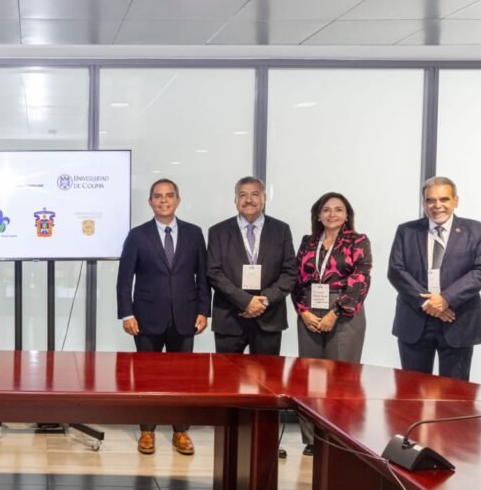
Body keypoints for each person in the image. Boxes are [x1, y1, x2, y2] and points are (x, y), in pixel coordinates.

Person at [117, 178, 210, 456]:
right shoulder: (137, 235)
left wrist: (203, 310)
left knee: (182, 379)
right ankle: (147, 430)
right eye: (158, 196)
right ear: (150, 202)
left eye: (169, 195)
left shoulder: (194, 233)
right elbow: (124, 279)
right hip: (146, 318)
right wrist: (127, 313)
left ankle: (181, 431)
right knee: (146, 378)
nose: (163, 200)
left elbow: (203, 276)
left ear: (178, 200)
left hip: (186, 316)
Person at [388, 176, 481, 380]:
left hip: (457, 319)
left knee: (455, 392)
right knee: (412, 390)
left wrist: (445, 299)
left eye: (444, 199)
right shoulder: (406, 231)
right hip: (415, 319)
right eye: (430, 200)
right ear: (423, 203)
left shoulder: (478, 231)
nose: (437, 205)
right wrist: (428, 303)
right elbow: (396, 271)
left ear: (456, 201)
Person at [292, 192, 372, 453]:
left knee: (341, 380)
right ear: (318, 215)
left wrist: (334, 313)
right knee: (311, 379)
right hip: (309, 311)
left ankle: (339, 439)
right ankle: (312, 440)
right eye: (326, 209)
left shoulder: (358, 241)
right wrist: (303, 311)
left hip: (344, 312)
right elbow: (296, 279)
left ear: (347, 215)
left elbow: (361, 280)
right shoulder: (308, 242)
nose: (332, 214)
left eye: (338, 209)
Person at [207, 176, 296, 355]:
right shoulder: (218, 231)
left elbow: (290, 272)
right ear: (235, 200)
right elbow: (214, 272)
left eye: (255, 194)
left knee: (267, 373)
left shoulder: (281, 230)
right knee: (226, 373)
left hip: (269, 317)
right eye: (242, 195)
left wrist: (263, 301)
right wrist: (245, 301)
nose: (248, 200)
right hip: (230, 318)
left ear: (264, 198)